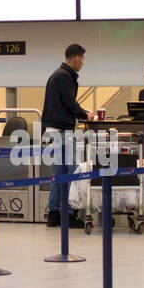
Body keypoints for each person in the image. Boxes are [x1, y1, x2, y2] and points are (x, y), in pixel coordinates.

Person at [42, 43, 94, 228]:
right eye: (82, 59)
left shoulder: (57, 75)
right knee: (71, 171)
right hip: (63, 131)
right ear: (75, 57)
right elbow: (69, 103)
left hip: (53, 129)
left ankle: (54, 213)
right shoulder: (64, 76)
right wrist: (84, 115)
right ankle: (70, 213)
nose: (83, 63)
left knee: (59, 173)